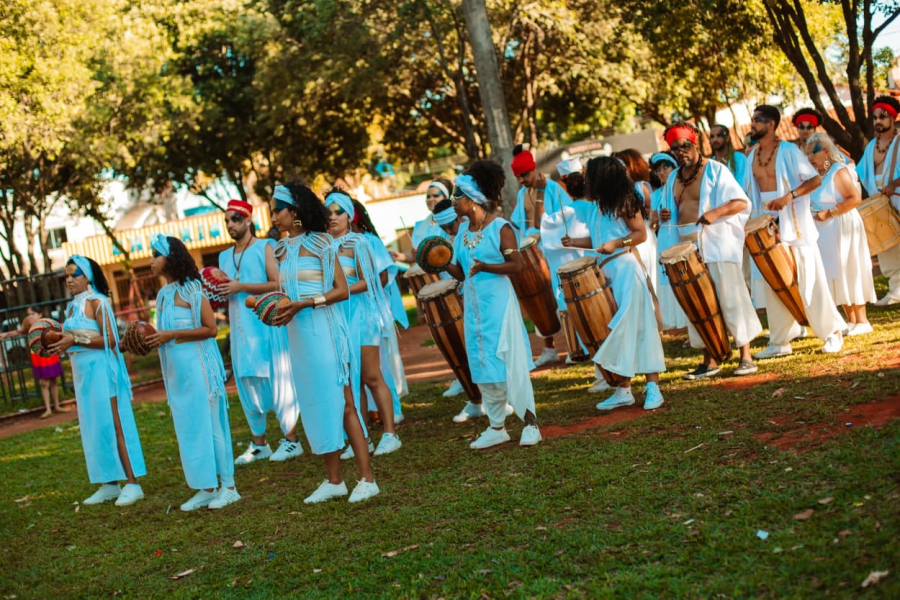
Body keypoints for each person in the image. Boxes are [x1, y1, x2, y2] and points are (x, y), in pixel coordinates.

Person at [269, 182, 379, 503]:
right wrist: (275, 307)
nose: (274, 216)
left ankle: (366, 478)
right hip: (298, 337)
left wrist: (307, 303)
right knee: (316, 405)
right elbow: (284, 294)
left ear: (296, 211)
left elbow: (342, 289)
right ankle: (334, 481)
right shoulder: (280, 249)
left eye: (278, 210)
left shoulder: (321, 243)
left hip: (326, 332)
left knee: (344, 404)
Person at [445, 161, 542, 448]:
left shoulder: (501, 228)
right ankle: (497, 426)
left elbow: (516, 265)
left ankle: (530, 423)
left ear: (472, 200)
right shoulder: (462, 233)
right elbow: (463, 273)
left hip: (499, 307)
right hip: (475, 310)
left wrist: (487, 265)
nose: (453, 202)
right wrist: (440, 263)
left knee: (509, 363)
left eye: (457, 196)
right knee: (483, 365)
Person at [742, 105, 846, 358]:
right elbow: (745, 193)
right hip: (764, 223)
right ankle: (780, 341)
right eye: (753, 119)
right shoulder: (752, 155)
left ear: (772, 124)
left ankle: (832, 333)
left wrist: (789, 197)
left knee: (809, 279)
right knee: (773, 280)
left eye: (759, 120)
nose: (753, 124)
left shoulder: (788, 150)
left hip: (794, 222)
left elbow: (814, 180)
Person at [562, 157, 665, 411]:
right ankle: (624, 390)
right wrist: (575, 241)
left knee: (639, 327)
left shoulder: (624, 200)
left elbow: (640, 234)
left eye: (592, 174)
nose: (587, 179)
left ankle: (653, 387)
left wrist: (617, 244)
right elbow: (601, 239)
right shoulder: (598, 205)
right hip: (607, 274)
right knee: (616, 330)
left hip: (627, 270)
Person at [661, 122, 763, 378]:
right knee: (698, 303)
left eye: (684, 146)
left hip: (716, 245)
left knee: (731, 299)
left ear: (694, 144)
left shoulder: (715, 170)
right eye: (675, 149)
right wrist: (663, 213)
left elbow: (741, 202)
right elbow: (668, 209)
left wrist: (715, 212)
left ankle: (746, 356)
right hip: (685, 249)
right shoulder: (673, 177)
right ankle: (710, 361)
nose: (680, 152)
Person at [146, 236, 239, 510]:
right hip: (178, 372)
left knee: (212, 426)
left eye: (156, 255)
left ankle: (229, 486)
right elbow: (162, 334)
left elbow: (211, 329)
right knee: (189, 428)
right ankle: (206, 487)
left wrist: (171, 334)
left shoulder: (192, 289)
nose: (151, 261)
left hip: (200, 368)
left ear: (171, 257)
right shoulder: (163, 294)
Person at [48, 256, 146, 507]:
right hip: (83, 375)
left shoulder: (98, 302)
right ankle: (109, 483)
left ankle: (133, 484)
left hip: (103, 371)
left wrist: (75, 340)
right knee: (94, 425)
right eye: (66, 276)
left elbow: (111, 340)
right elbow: (70, 339)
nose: (69, 280)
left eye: (75, 274)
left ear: (88, 276)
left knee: (115, 424)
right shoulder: (71, 307)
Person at [218, 199, 303, 465]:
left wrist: (240, 286)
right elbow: (223, 291)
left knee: (278, 381)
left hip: (267, 325)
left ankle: (292, 440)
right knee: (247, 382)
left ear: (248, 220)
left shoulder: (265, 246)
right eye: (227, 221)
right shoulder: (222, 257)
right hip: (240, 331)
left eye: (235, 219)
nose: (231, 224)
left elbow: (276, 282)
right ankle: (260, 444)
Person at [326, 191, 403, 458]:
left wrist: (337, 290)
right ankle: (363, 438)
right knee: (350, 381)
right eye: (329, 212)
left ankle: (391, 434)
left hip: (361, 316)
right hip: (337, 319)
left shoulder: (358, 243)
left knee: (371, 376)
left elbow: (370, 280)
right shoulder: (323, 247)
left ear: (350, 216)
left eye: (339, 212)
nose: (333, 216)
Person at [806, 133, 877, 333]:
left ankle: (862, 320)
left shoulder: (838, 170)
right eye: (807, 154)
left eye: (813, 153)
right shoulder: (820, 174)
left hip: (842, 225)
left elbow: (854, 198)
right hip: (826, 230)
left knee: (850, 268)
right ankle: (851, 320)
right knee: (836, 273)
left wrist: (829, 212)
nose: (809, 158)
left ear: (826, 151)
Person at [509, 146, 567, 367]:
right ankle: (549, 348)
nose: (522, 179)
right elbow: (518, 222)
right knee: (540, 300)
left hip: (555, 252)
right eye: (518, 176)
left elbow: (564, 216)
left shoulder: (552, 188)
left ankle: (575, 346)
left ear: (533, 169)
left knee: (560, 299)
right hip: (533, 256)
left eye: (525, 174)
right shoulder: (522, 193)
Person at [352, 200, 408, 423]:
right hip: (352, 312)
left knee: (381, 365)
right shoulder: (336, 244)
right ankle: (372, 412)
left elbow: (384, 276)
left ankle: (392, 411)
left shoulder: (370, 241)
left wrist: (368, 295)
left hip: (373, 310)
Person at [856, 95, 900, 306]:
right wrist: (828, 165)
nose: (878, 121)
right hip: (880, 202)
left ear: (893, 117)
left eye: (883, 116)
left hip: (898, 197)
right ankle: (896, 290)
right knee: (886, 245)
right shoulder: (871, 145)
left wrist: (894, 185)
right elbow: (857, 172)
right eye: (874, 118)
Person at [647, 152, 690, 333]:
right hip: (664, 238)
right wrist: (655, 218)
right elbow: (651, 224)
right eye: (658, 170)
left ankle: (691, 324)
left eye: (666, 167)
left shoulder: (681, 187)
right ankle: (679, 324)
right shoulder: (656, 194)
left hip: (679, 237)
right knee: (668, 278)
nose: (662, 172)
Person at [12, 306, 68, 419]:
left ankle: (57, 406)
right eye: (28, 314)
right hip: (38, 356)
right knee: (44, 383)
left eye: (32, 314)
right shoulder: (29, 327)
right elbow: (19, 331)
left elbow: (60, 328)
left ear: (40, 315)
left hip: (49, 354)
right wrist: (5, 334)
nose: (30, 316)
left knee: (54, 380)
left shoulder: (47, 324)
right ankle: (48, 409)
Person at [615, 149, 658, 293]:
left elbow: (653, 209)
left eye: (622, 165)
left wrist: (644, 212)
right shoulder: (616, 192)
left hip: (644, 235)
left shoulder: (641, 186)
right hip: (629, 239)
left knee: (651, 275)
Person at [390, 178, 455, 264]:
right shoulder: (420, 226)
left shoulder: (456, 221)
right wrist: (402, 256)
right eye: (428, 196)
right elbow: (415, 254)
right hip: (432, 277)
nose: (430, 199)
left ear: (446, 197)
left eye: (435, 196)